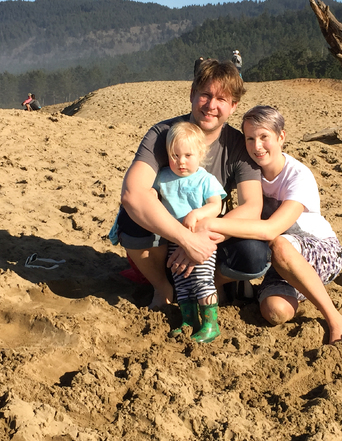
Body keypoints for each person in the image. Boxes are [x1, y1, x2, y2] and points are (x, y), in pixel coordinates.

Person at [109, 59, 269, 310]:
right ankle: (163, 287)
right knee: (130, 217)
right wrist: (184, 239)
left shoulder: (238, 145)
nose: (211, 105)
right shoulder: (163, 134)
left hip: (209, 243)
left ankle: (213, 283)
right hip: (163, 246)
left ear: (233, 106)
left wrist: (201, 236)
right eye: (205, 95)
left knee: (254, 253)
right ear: (192, 94)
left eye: (222, 99)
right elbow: (132, 193)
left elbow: (252, 207)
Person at [196, 106, 342, 344]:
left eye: (264, 137)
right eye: (250, 139)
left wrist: (212, 225)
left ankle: (335, 319)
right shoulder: (250, 173)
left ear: (281, 137)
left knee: (278, 244)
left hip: (319, 250)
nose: (257, 146)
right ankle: (285, 286)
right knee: (275, 312)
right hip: (277, 260)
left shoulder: (298, 176)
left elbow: (271, 229)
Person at [154, 121, 226, 342]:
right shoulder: (163, 177)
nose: (181, 162)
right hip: (174, 240)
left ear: (200, 154)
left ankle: (211, 324)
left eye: (188, 155)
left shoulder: (205, 179)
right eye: (175, 156)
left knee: (202, 280)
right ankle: (189, 320)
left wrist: (197, 213)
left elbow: (216, 205)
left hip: (201, 239)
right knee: (182, 282)